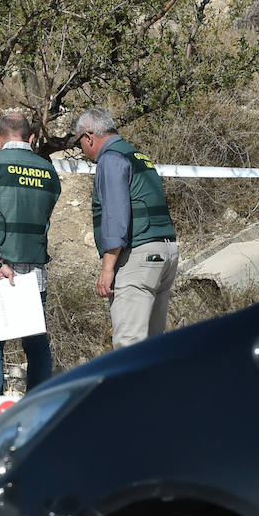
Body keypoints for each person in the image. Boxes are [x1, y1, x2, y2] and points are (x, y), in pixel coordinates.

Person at [0, 111, 61, 396]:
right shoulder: (48, 170)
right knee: (36, 345)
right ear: (31, 138)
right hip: (34, 274)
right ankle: (37, 415)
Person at [71, 107, 179, 348]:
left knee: (129, 346)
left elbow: (116, 216)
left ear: (88, 136)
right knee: (152, 346)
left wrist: (107, 268)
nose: (82, 150)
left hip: (139, 258)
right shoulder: (136, 154)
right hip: (166, 252)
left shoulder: (110, 159)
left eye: (80, 143)